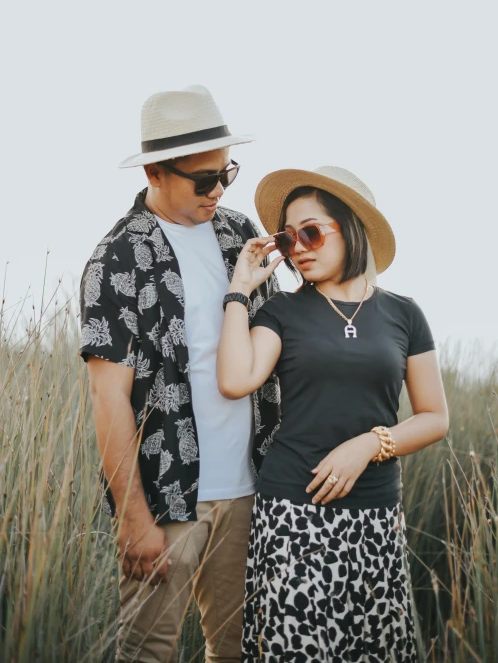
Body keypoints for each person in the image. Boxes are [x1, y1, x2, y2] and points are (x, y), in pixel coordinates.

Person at [79, 85, 280, 662]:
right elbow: (108, 396)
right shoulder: (116, 257)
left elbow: (279, 345)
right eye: (203, 180)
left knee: (242, 651)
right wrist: (133, 520)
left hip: (252, 490)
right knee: (149, 653)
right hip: (168, 501)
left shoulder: (238, 234)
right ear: (154, 172)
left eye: (228, 174)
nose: (219, 191)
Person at [217, 166, 449, 663]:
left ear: (351, 228)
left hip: (376, 516)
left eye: (311, 231)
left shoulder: (405, 315)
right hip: (292, 516)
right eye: (287, 236)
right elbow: (236, 380)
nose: (298, 247)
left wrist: (368, 445)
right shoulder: (282, 311)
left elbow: (434, 417)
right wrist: (240, 289)